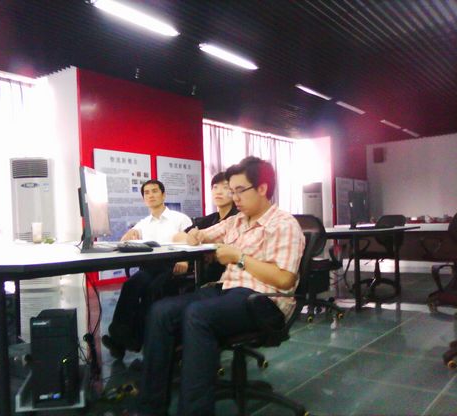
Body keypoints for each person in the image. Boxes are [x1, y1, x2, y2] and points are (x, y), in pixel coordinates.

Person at [136, 157, 305, 416]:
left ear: (262, 188)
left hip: (264, 300)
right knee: (161, 311)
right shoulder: (237, 221)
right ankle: (150, 408)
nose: (234, 198)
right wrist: (195, 235)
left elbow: (284, 280)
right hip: (228, 291)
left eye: (240, 191)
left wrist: (239, 258)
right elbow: (201, 234)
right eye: (231, 191)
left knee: (198, 315)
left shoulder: (284, 224)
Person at [102, 179, 192, 359]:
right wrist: (129, 234)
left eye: (155, 191)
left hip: (173, 266)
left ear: (163, 195)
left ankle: (131, 340)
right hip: (151, 266)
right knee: (131, 285)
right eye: (147, 193)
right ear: (144, 199)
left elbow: (192, 241)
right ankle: (120, 336)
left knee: (152, 290)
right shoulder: (143, 223)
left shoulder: (180, 218)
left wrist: (186, 260)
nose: (151, 195)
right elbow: (124, 241)